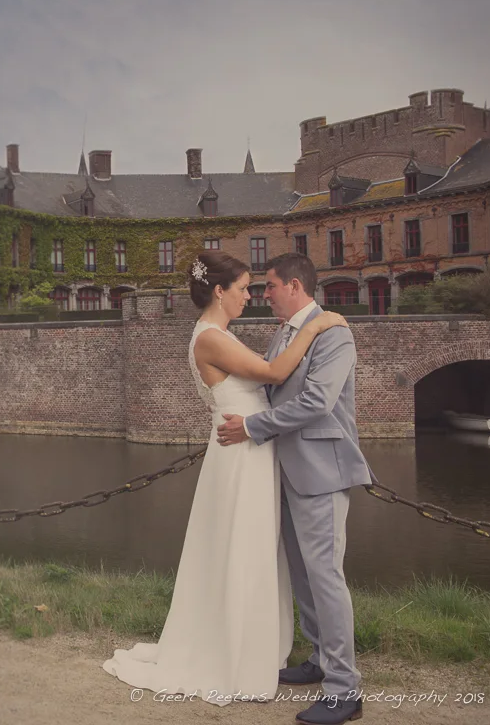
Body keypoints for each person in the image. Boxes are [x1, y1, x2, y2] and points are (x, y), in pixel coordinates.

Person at [101, 251, 349, 710]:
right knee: (242, 551)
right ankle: (237, 655)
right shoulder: (212, 338)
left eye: (258, 288)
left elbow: (274, 387)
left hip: (250, 454)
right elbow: (275, 374)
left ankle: (261, 651)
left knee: (251, 551)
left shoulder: (220, 336)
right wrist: (314, 326)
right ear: (220, 291)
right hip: (241, 457)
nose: (251, 296)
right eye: (244, 289)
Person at [215, 252, 373, 725]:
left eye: (270, 286)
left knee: (325, 576)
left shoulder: (335, 333)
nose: (264, 295)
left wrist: (254, 426)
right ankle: (321, 659)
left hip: (321, 470)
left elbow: (318, 401)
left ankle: (345, 689)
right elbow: (272, 383)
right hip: (283, 470)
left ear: (296, 286)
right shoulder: (282, 333)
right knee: (302, 575)